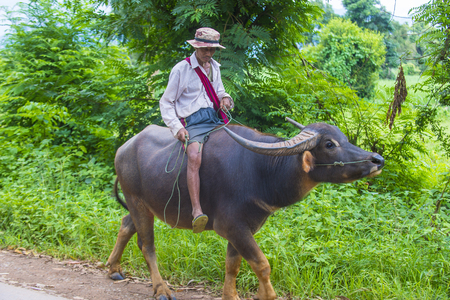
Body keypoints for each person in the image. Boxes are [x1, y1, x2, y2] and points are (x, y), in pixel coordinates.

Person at [160, 27, 234, 233]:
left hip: (214, 118)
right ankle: (196, 210)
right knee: (194, 156)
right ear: (195, 47)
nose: (208, 54)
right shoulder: (181, 69)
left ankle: (228, 201)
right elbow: (166, 102)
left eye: (212, 50)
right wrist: (176, 128)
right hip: (192, 121)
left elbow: (218, 90)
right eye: (205, 50)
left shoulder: (215, 67)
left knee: (235, 147)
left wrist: (225, 98)